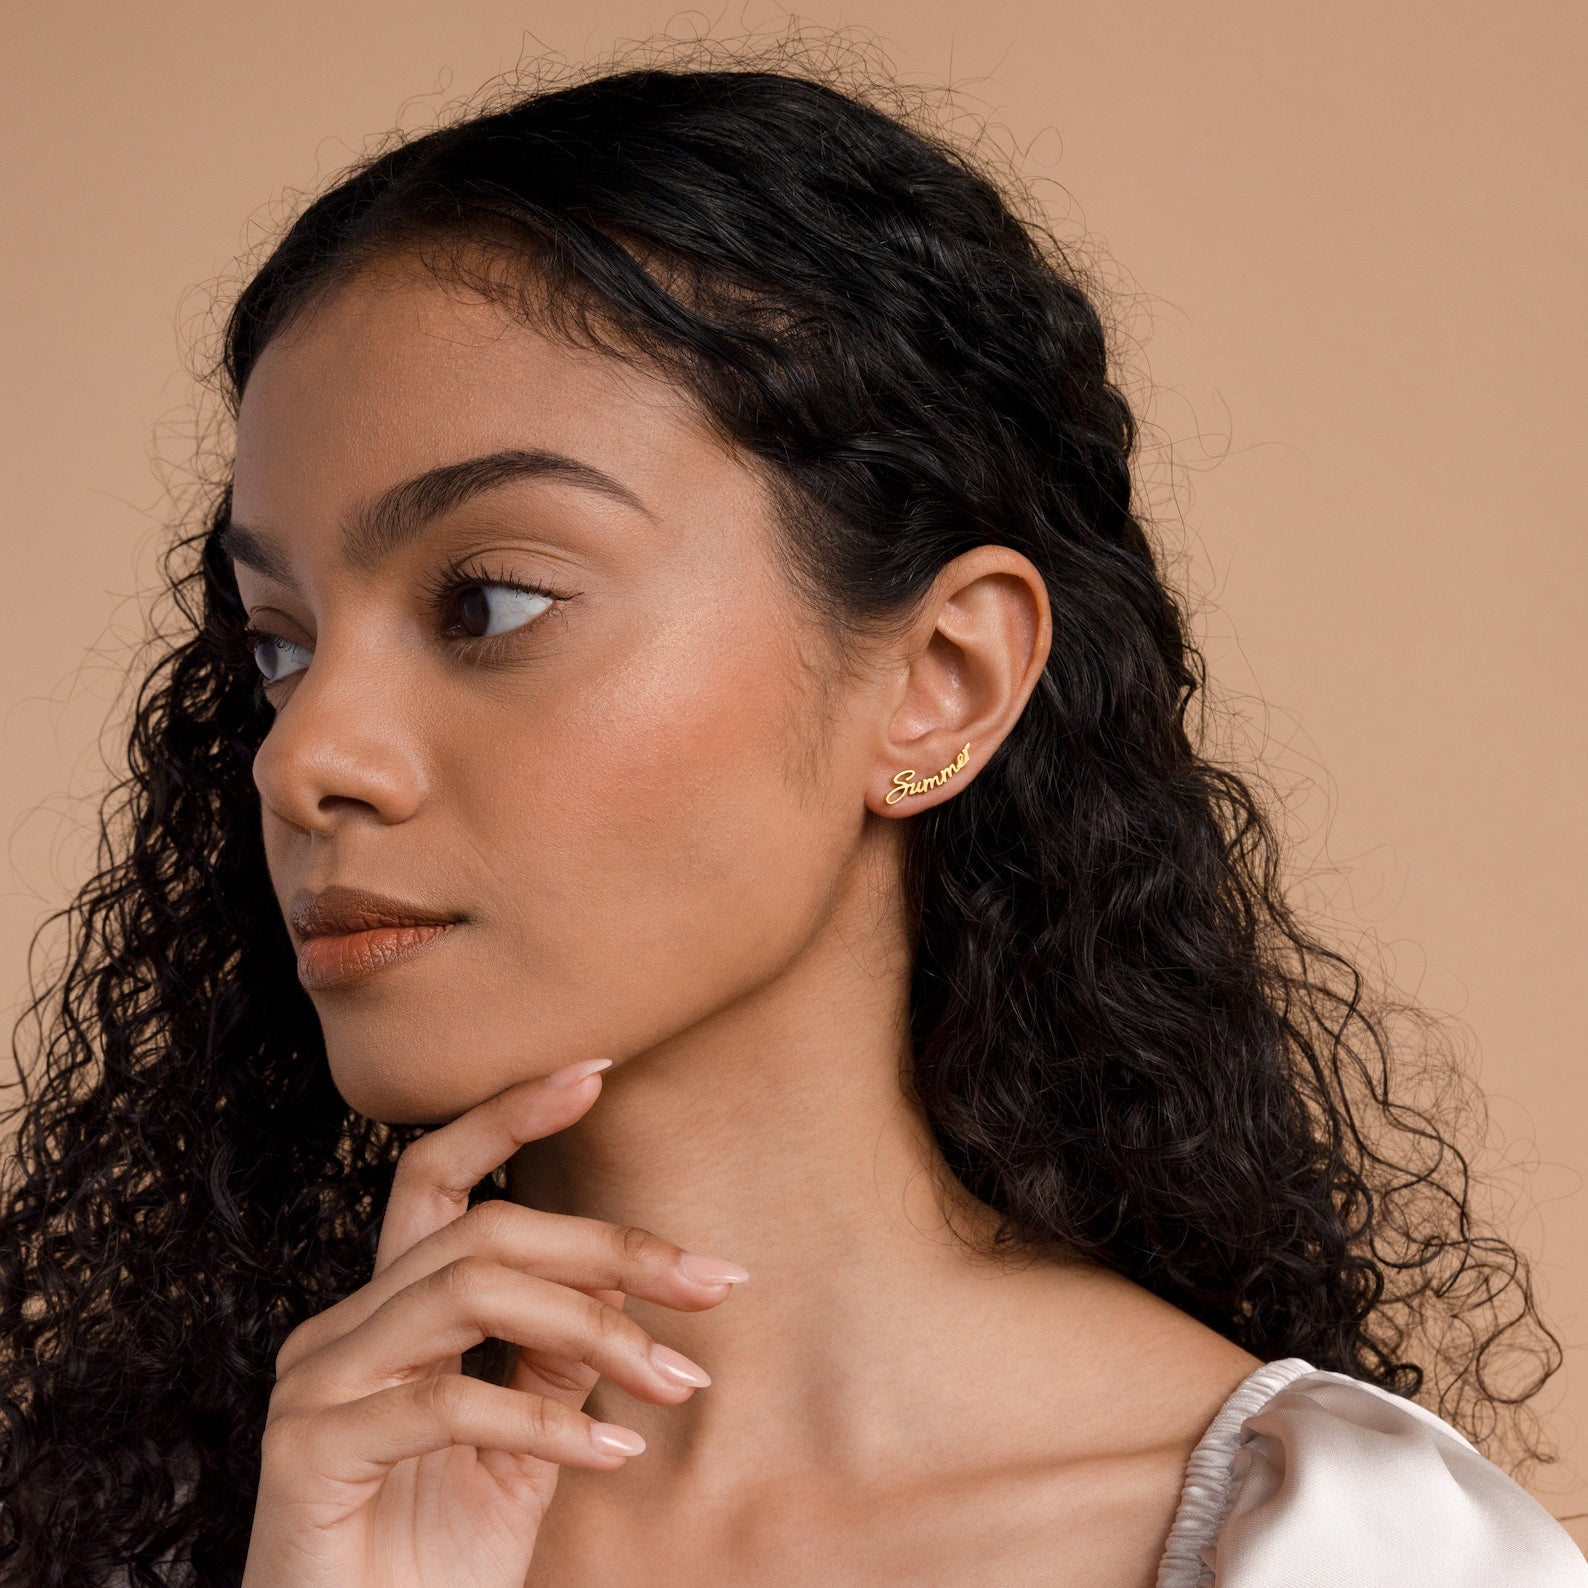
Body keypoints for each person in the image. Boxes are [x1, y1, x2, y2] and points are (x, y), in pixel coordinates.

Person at [1, 52, 1583, 1588]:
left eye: (488, 601)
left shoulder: (1339, 1549)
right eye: (280, 645)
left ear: (942, 684)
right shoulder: (186, 1525)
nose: (303, 757)